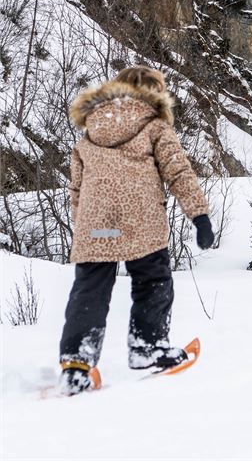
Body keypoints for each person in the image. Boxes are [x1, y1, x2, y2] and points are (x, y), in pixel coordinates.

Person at [58, 65, 214, 395]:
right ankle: (148, 346)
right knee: (153, 280)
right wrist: (199, 216)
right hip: (140, 222)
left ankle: (75, 364)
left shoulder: (89, 131)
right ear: (155, 92)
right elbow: (179, 173)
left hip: (96, 225)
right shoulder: (155, 126)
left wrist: (85, 228)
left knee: (90, 290)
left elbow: (76, 188)